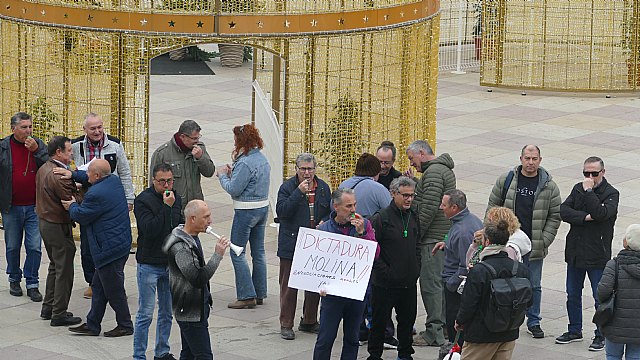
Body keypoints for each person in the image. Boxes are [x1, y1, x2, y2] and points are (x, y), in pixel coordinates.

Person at [486, 144, 561, 339]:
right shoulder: (507, 180)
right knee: (506, 282)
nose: (530, 162)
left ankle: (534, 320)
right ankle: (507, 317)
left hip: (534, 245)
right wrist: (493, 235)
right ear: (521, 159)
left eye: (534, 159)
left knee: (534, 284)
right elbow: (492, 207)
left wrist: (544, 240)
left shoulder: (548, 185)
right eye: (527, 158)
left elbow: (555, 215)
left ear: (540, 160)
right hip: (508, 244)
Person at [64, 159, 133, 337]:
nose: (86, 176)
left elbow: (82, 216)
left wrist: (71, 205)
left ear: (97, 175)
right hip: (119, 244)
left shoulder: (95, 194)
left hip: (108, 249)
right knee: (99, 286)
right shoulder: (113, 181)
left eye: (88, 173)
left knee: (114, 289)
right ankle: (93, 324)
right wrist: (73, 174)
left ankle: (125, 324)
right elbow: (89, 178)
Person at [556, 156, 619, 351]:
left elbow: (601, 214)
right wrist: (584, 217)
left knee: (599, 297)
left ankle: (601, 334)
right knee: (572, 294)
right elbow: (564, 211)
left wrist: (589, 191)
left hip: (597, 255)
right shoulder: (577, 188)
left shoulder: (611, 193)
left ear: (603, 172)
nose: (589, 177)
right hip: (575, 252)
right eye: (586, 173)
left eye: (594, 173)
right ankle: (574, 330)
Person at [71, 113, 135, 299]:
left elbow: (124, 172)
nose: (97, 131)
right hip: (88, 201)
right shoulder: (77, 146)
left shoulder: (114, 145)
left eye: (100, 127)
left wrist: (128, 199)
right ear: (85, 130)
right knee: (87, 245)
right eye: (93, 128)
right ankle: (93, 282)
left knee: (109, 241)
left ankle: (112, 279)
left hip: (109, 202)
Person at [313, 188, 378, 360]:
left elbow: (375, 253)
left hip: (356, 292)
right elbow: (316, 263)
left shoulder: (364, 225)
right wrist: (317, 284)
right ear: (336, 207)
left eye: (354, 205)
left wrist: (362, 234)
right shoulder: (325, 229)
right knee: (325, 338)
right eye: (348, 206)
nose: (353, 209)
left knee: (352, 338)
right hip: (333, 294)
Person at [162, 200, 229, 360]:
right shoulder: (181, 248)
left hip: (196, 307)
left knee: (189, 354)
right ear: (192, 219)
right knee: (204, 356)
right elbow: (198, 278)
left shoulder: (190, 237)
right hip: (190, 311)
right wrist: (217, 255)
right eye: (206, 217)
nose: (210, 221)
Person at [339, 153, 394, 347]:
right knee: (373, 289)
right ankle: (380, 331)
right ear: (375, 172)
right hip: (369, 242)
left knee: (355, 286)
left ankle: (359, 330)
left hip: (347, 245)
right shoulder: (377, 188)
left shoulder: (344, 186)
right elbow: (391, 213)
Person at [455, 220, 530, 360]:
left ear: (487, 242)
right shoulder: (520, 269)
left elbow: (469, 303)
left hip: (481, 335)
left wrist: (459, 321)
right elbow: (528, 301)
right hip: (509, 333)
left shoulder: (479, 270)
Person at [406, 140, 456, 347]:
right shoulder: (439, 171)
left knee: (431, 286)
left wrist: (416, 236)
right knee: (440, 285)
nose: (412, 164)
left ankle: (434, 332)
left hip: (432, 238)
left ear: (421, 153)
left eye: (411, 158)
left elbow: (427, 208)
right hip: (441, 235)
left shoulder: (434, 172)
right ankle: (442, 326)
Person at [276, 153, 330, 340]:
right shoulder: (287, 188)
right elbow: (282, 212)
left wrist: (324, 221)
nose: (307, 173)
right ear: (297, 169)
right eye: (303, 169)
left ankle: (309, 320)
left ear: (315, 169)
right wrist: (298, 193)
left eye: (310, 169)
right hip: (292, 244)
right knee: (289, 286)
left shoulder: (323, 188)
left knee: (314, 284)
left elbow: (329, 212)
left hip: (315, 244)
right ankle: (286, 324)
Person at [133, 163, 184, 360]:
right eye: (162, 182)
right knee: (145, 314)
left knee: (166, 313)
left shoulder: (175, 196)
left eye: (170, 181)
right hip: (149, 263)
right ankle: (139, 355)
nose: (167, 185)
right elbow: (150, 230)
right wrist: (166, 207)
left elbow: (175, 226)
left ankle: (162, 352)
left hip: (170, 263)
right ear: (153, 181)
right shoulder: (143, 201)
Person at [367, 177, 421, 360]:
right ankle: (375, 355)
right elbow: (373, 249)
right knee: (379, 322)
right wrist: (387, 272)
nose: (409, 199)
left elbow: (417, 245)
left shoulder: (413, 216)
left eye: (411, 196)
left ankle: (405, 354)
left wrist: (416, 268)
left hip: (408, 282)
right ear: (393, 194)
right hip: (385, 284)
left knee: (407, 322)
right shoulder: (381, 218)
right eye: (405, 195)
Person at [217, 123, 271, 309]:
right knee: (259, 252)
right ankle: (260, 292)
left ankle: (247, 295)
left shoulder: (245, 161)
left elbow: (234, 189)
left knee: (237, 251)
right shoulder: (262, 159)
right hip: (262, 208)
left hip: (246, 210)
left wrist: (223, 176)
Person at [35, 136, 83, 326]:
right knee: (64, 268)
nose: (72, 153)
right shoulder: (58, 174)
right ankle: (59, 312)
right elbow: (71, 202)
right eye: (69, 151)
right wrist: (82, 188)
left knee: (55, 265)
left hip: (46, 221)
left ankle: (49, 307)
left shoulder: (45, 168)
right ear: (58, 153)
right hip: (57, 223)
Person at [0, 112, 48, 301]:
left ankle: (32, 282)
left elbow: (50, 165)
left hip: (34, 206)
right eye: (24, 127)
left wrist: (36, 150)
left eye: (30, 127)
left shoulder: (38, 144)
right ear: (13, 129)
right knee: (12, 246)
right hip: (11, 207)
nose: (28, 131)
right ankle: (14, 278)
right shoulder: (3, 146)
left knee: (34, 247)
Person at [432, 189, 482, 347]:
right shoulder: (470, 220)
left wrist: (450, 284)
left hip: (457, 288)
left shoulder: (462, 231)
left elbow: (466, 265)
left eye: (444, 205)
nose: (441, 207)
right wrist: (446, 245)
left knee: (456, 329)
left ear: (454, 208)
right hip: (459, 284)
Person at [149, 120, 215, 211]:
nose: (197, 141)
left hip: (194, 208)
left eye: (198, 137)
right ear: (183, 137)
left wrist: (200, 158)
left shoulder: (199, 149)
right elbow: (153, 186)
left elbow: (209, 172)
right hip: (174, 208)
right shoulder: (162, 154)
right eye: (194, 138)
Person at [597, 224, 640, 359]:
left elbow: (602, 292)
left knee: (613, 356)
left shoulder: (614, 265)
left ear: (626, 242)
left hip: (614, 324)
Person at [467, 207, 531, 267]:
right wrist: (475, 244)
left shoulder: (510, 248)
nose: (486, 225)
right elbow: (469, 263)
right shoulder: (490, 237)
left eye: (490, 222)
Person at [339, 153, 391, 218]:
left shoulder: (343, 185)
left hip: (345, 226)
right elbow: (391, 211)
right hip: (368, 227)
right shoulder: (378, 188)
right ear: (377, 171)